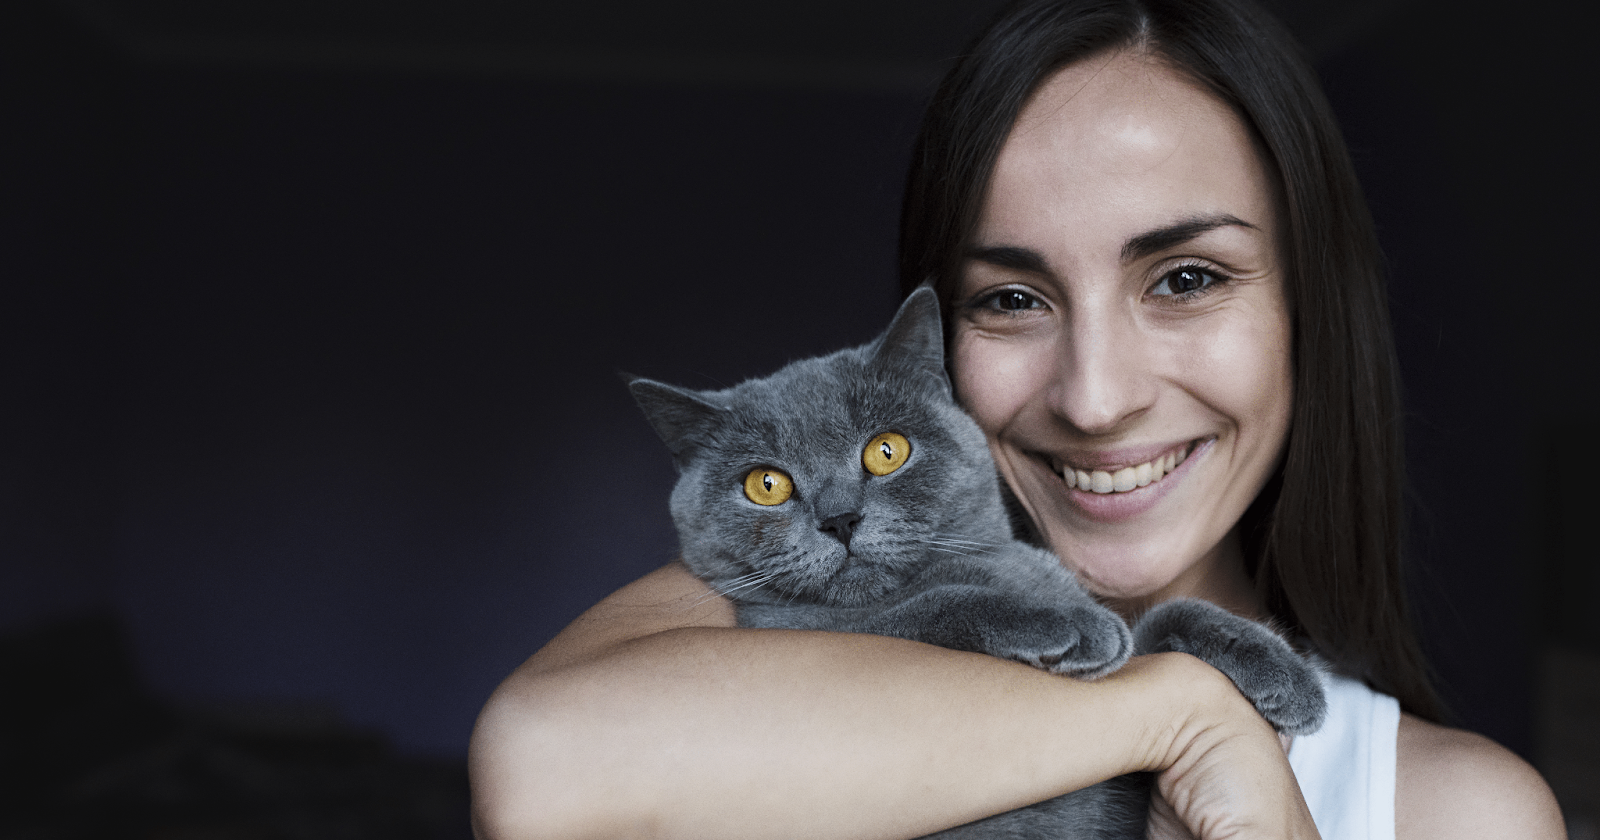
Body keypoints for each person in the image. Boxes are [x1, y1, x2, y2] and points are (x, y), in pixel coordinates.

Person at [468, 0, 1565, 837]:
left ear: (1310, 309)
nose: (1093, 398)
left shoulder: (1442, 809)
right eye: (1010, 299)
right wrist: (1178, 712)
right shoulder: (798, 591)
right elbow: (545, 770)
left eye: (1184, 278)